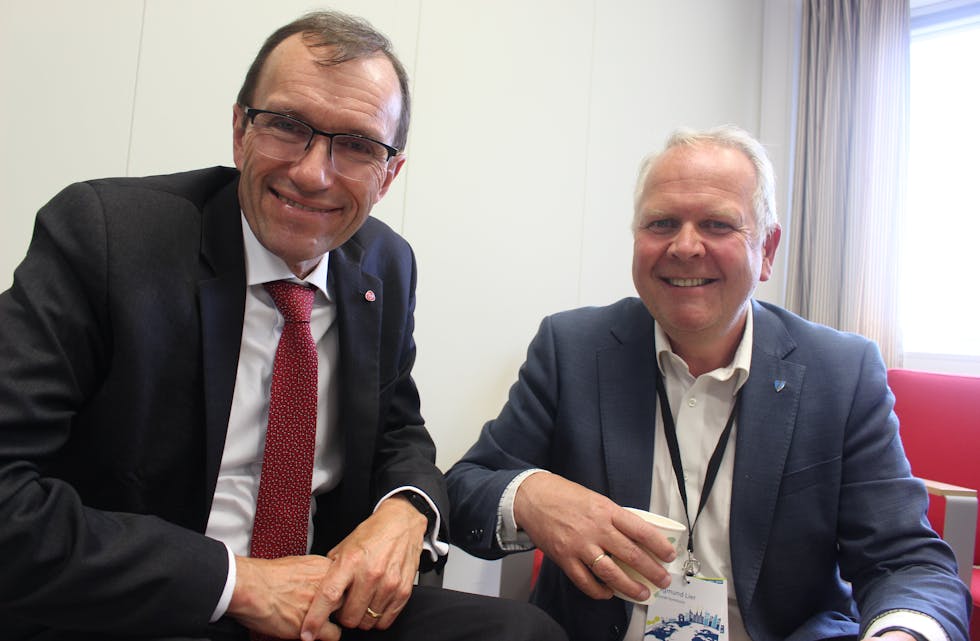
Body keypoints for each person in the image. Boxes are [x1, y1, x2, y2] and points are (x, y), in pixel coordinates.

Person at [0, 10, 566, 641]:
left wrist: (405, 509)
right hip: (149, 603)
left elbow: (399, 432)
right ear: (240, 129)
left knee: (525, 633)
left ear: (390, 174)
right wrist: (236, 582)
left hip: (317, 607)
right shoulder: (105, 236)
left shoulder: (384, 265)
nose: (312, 173)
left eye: (356, 145)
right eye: (288, 126)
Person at [445, 125, 970, 641]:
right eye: (662, 223)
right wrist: (531, 495)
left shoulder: (842, 371)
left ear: (766, 249)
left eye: (718, 225)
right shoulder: (572, 348)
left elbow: (906, 562)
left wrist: (901, 633)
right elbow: (467, 486)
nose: (685, 246)